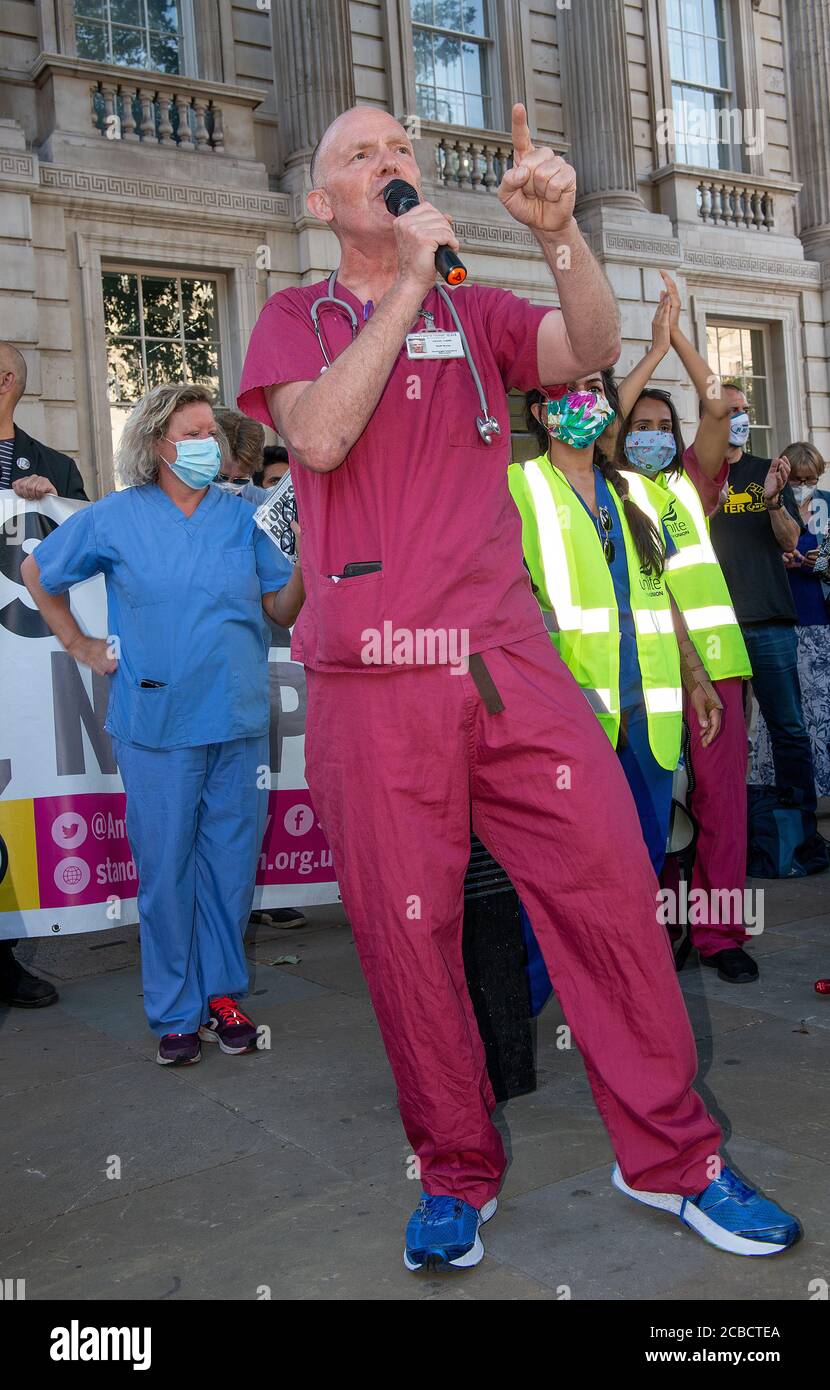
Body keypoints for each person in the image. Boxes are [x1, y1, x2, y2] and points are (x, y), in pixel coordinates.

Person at [237, 102, 799, 1269]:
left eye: (402, 151)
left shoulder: (476, 310)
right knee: (410, 936)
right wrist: (401, 287)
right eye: (362, 157)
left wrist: (559, 235)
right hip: (373, 682)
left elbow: (583, 345)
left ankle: (674, 1158)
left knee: (606, 891)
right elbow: (322, 438)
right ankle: (453, 1169)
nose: (390, 166)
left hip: (505, 664)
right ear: (320, 199)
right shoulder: (296, 318)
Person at [20, 383, 305, 1065]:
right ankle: (175, 1011)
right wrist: (82, 646)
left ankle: (220, 995)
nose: (210, 445)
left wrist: (312, 566)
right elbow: (38, 571)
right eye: (195, 433)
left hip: (235, 723)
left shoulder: (240, 519)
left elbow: (282, 609)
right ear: (156, 445)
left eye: (214, 433)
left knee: (230, 869)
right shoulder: (118, 518)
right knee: (167, 871)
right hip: (156, 724)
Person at [510, 369, 722, 880]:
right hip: (566, 713)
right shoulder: (519, 486)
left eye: (595, 388)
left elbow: (659, 591)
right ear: (541, 412)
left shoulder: (635, 491)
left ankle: (635, 961)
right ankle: (560, 966)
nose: (586, 399)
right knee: (567, 866)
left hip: (648, 712)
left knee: (645, 856)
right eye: (569, 389)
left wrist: (697, 678)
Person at [610, 274, 758, 983]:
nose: (651, 437)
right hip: (645, 669)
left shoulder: (692, 481)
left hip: (719, 662)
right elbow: (604, 417)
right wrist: (644, 357)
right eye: (641, 429)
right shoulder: (605, 485)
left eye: (661, 429)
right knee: (648, 807)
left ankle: (720, 935)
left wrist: (677, 343)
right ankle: (654, 928)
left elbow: (718, 404)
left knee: (722, 804)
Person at [0, 340, 88, 1009]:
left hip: (25, 678)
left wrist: (52, 503)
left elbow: (88, 560)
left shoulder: (56, 467)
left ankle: (6, 963)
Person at [214, 409, 308, 931]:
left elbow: (284, 605)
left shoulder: (260, 508)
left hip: (260, 674)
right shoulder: (150, 511)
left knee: (249, 803)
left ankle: (249, 902)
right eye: (221, 476)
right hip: (190, 690)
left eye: (240, 478)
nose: (231, 488)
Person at [751, 443, 830, 799]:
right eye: (797, 479)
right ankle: (790, 793)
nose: (803, 485)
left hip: (820, 620)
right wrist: (777, 559)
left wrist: (818, 563)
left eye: (810, 479)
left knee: (821, 706)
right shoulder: (771, 503)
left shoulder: (826, 505)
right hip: (780, 618)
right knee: (786, 709)